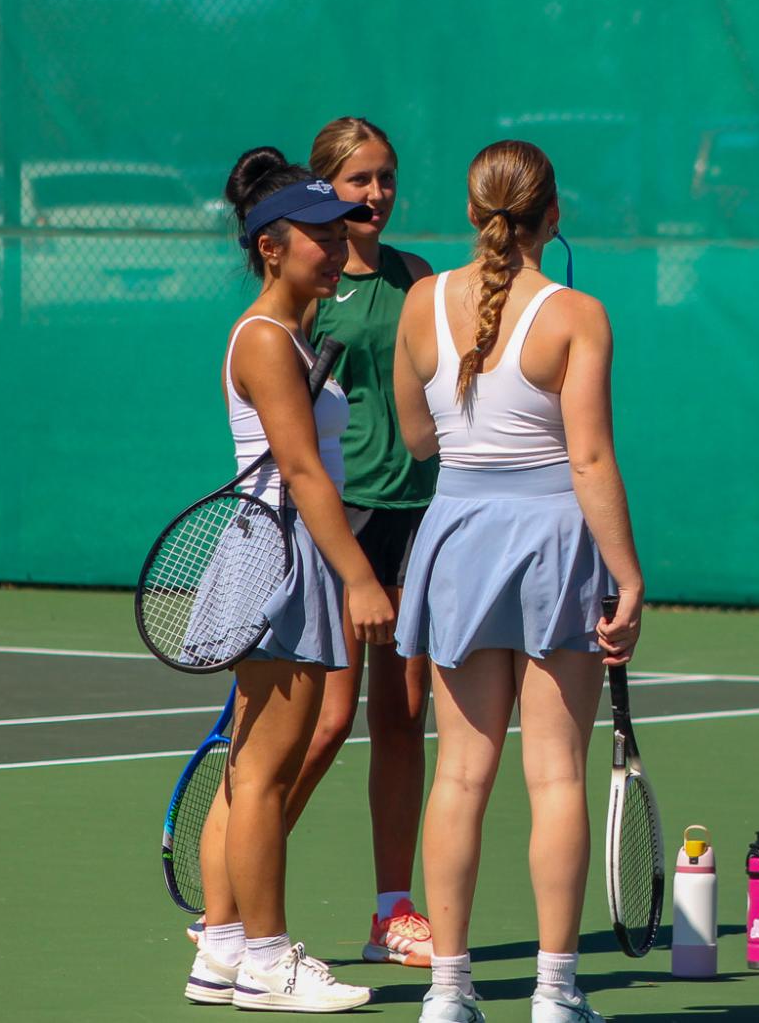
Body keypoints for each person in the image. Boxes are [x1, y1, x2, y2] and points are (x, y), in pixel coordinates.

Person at [392, 139, 646, 1023]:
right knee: (554, 778)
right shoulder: (578, 313)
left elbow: (418, 440)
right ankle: (553, 995)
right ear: (554, 215)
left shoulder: (420, 302)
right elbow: (587, 455)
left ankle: (449, 996)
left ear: (473, 214)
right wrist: (630, 577)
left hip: (456, 535)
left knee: (458, 776)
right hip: (551, 543)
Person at [182, 147, 397, 1014]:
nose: (335, 243)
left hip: (280, 550)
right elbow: (305, 475)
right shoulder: (267, 340)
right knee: (265, 772)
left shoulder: (293, 335)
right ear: (271, 246)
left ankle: (224, 951)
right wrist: (361, 580)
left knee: (253, 767)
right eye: (316, 232)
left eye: (335, 228)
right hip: (281, 552)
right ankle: (269, 960)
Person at [277, 117, 440, 969]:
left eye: (386, 178)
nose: (376, 194)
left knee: (402, 714)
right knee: (327, 719)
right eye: (359, 180)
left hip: (417, 510)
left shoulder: (418, 277)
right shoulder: (310, 281)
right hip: (342, 521)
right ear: (325, 186)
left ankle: (391, 914)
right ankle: (238, 886)